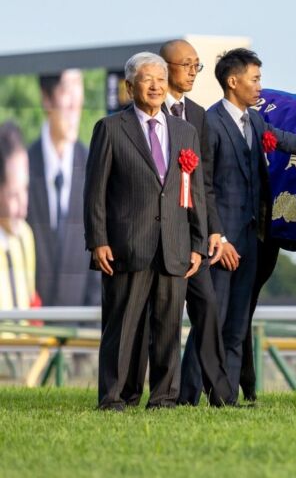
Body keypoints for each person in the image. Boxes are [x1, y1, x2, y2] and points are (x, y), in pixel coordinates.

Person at [204, 48, 296, 404]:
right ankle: (186, 393)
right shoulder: (210, 123)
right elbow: (205, 187)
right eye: (254, 79)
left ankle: (225, 396)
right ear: (233, 81)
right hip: (222, 240)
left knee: (237, 321)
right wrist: (218, 235)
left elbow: (287, 140)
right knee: (212, 321)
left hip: (250, 236)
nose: (260, 86)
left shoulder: (255, 122)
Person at [84, 52, 206, 410]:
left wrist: (197, 243)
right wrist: (98, 240)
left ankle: (165, 397)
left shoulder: (185, 131)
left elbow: (195, 192)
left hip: (174, 245)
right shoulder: (110, 128)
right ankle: (116, 397)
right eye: (147, 79)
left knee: (168, 326)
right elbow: (95, 191)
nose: (156, 86)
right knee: (123, 326)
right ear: (129, 86)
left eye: (161, 79)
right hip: (126, 245)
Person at [27, 70, 98, 307]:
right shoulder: (21, 169)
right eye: (67, 88)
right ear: (46, 98)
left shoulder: (94, 167)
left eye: (79, 86)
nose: (75, 102)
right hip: (27, 326)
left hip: (83, 326)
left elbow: (99, 270)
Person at [1, 122, 38, 313]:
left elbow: (31, 305)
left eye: (25, 189)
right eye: (14, 195)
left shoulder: (25, 235)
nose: (23, 210)